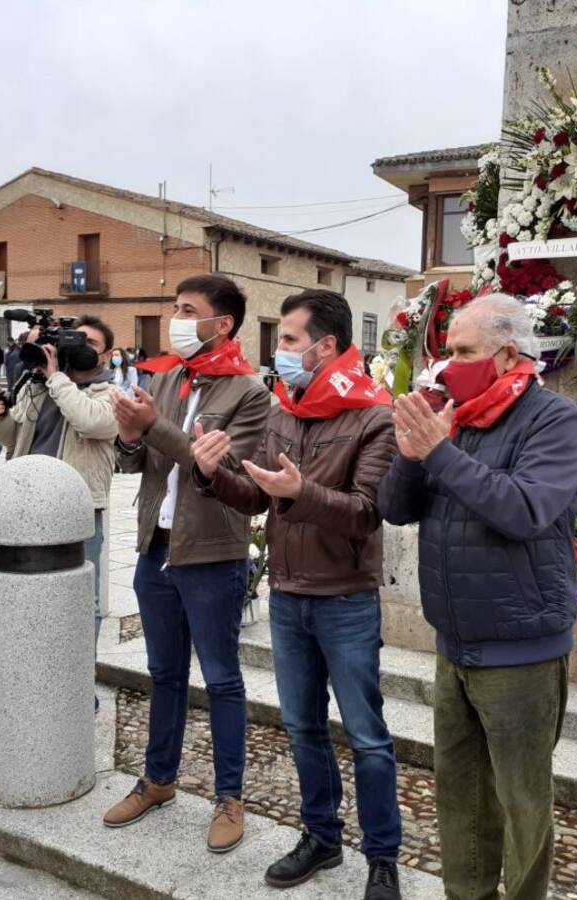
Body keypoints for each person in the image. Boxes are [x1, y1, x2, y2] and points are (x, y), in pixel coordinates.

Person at [192, 290, 402, 899]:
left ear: (326, 346)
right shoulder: (285, 410)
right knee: (302, 727)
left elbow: (366, 513)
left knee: (367, 736)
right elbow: (258, 497)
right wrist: (212, 475)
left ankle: (382, 857)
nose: (278, 352)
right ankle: (322, 837)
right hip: (288, 596)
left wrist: (300, 490)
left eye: (287, 340)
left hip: (344, 599)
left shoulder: (374, 417)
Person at [377, 294, 577, 900]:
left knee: (522, 800)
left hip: (521, 646)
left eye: (463, 352)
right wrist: (415, 455)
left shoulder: (553, 419)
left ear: (507, 355)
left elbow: (525, 510)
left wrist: (440, 451)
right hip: (456, 642)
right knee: (460, 793)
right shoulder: (455, 416)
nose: (448, 365)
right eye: (446, 352)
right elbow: (394, 508)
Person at [102, 274, 268, 854]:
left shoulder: (250, 393)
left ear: (221, 324)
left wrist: (153, 427)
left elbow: (224, 473)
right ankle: (158, 780)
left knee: (221, 678)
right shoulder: (166, 377)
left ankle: (230, 795)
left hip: (213, 553)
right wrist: (129, 436)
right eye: (174, 306)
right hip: (157, 548)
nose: (174, 317)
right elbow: (139, 462)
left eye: (186, 309)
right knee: (164, 673)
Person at [0, 315, 118, 641]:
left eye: (90, 343)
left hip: (78, 508)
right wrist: (0, 416)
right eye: (76, 340)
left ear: (107, 355)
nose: (80, 348)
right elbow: (13, 437)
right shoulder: (41, 387)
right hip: (26, 503)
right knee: (32, 592)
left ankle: (81, 683)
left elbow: (90, 421)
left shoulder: (111, 393)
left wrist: (57, 378)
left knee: (85, 600)